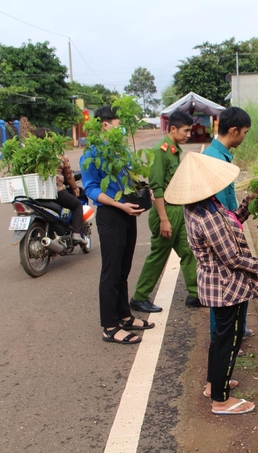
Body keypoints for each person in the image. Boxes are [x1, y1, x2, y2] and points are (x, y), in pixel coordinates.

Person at [164, 151, 258, 415]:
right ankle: (221, 400)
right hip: (226, 287)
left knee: (222, 338)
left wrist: (248, 203)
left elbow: (231, 222)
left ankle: (214, 384)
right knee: (229, 339)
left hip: (221, 284)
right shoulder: (207, 216)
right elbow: (232, 258)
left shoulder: (204, 205)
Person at [81, 105, 153, 345]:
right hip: (110, 215)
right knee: (111, 271)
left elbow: (129, 180)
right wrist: (119, 205)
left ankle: (124, 315)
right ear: (105, 125)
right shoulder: (91, 153)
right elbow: (91, 188)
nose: (121, 128)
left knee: (123, 269)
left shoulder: (120, 151)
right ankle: (110, 327)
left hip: (126, 213)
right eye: (118, 123)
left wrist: (142, 192)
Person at [129, 110, 200, 313]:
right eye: (186, 131)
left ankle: (195, 294)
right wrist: (163, 219)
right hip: (166, 211)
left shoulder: (175, 150)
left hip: (178, 210)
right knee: (159, 255)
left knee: (189, 251)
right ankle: (139, 297)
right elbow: (157, 188)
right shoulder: (159, 152)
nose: (189, 135)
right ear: (173, 129)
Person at [202, 107, 254, 339]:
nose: (244, 137)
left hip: (228, 228)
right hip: (221, 235)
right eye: (244, 132)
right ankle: (221, 340)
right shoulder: (215, 162)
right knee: (224, 292)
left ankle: (238, 330)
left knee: (237, 286)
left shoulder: (220, 155)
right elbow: (217, 211)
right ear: (233, 131)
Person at [55, 155, 86, 244]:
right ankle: (76, 233)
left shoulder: (30, 153)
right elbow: (69, 176)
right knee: (77, 205)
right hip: (57, 191)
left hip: (35, 193)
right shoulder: (59, 155)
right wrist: (75, 188)